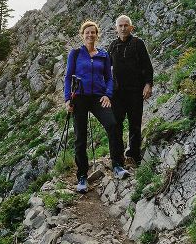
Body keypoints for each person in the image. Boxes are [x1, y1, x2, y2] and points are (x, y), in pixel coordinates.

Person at [64, 20, 130, 193]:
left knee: (113, 125)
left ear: (97, 35)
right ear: (82, 35)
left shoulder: (103, 55)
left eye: (93, 32)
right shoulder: (76, 53)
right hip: (79, 97)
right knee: (80, 136)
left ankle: (117, 165)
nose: (90, 35)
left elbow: (109, 77)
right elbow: (67, 77)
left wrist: (108, 95)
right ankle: (82, 176)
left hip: (98, 97)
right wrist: (67, 99)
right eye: (87, 32)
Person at [108, 15, 154, 168]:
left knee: (134, 124)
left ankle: (133, 157)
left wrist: (148, 84)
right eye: (120, 26)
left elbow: (147, 66)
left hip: (135, 92)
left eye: (126, 25)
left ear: (131, 27)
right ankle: (117, 159)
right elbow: (106, 70)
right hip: (117, 94)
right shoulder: (112, 46)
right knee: (116, 125)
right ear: (116, 29)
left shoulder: (138, 43)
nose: (123, 28)